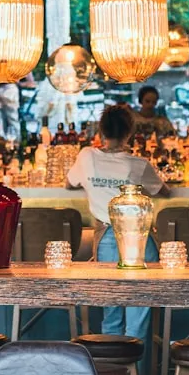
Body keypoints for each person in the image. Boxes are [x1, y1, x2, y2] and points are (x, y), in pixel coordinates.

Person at [67, 105, 165, 346]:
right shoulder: (138, 164)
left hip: (107, 238)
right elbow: (164, 190)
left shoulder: (86, 157)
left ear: (100, 131)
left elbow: (69, 184)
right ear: (129, 132)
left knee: (111, 314)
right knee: (138, 316)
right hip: (140, 239)